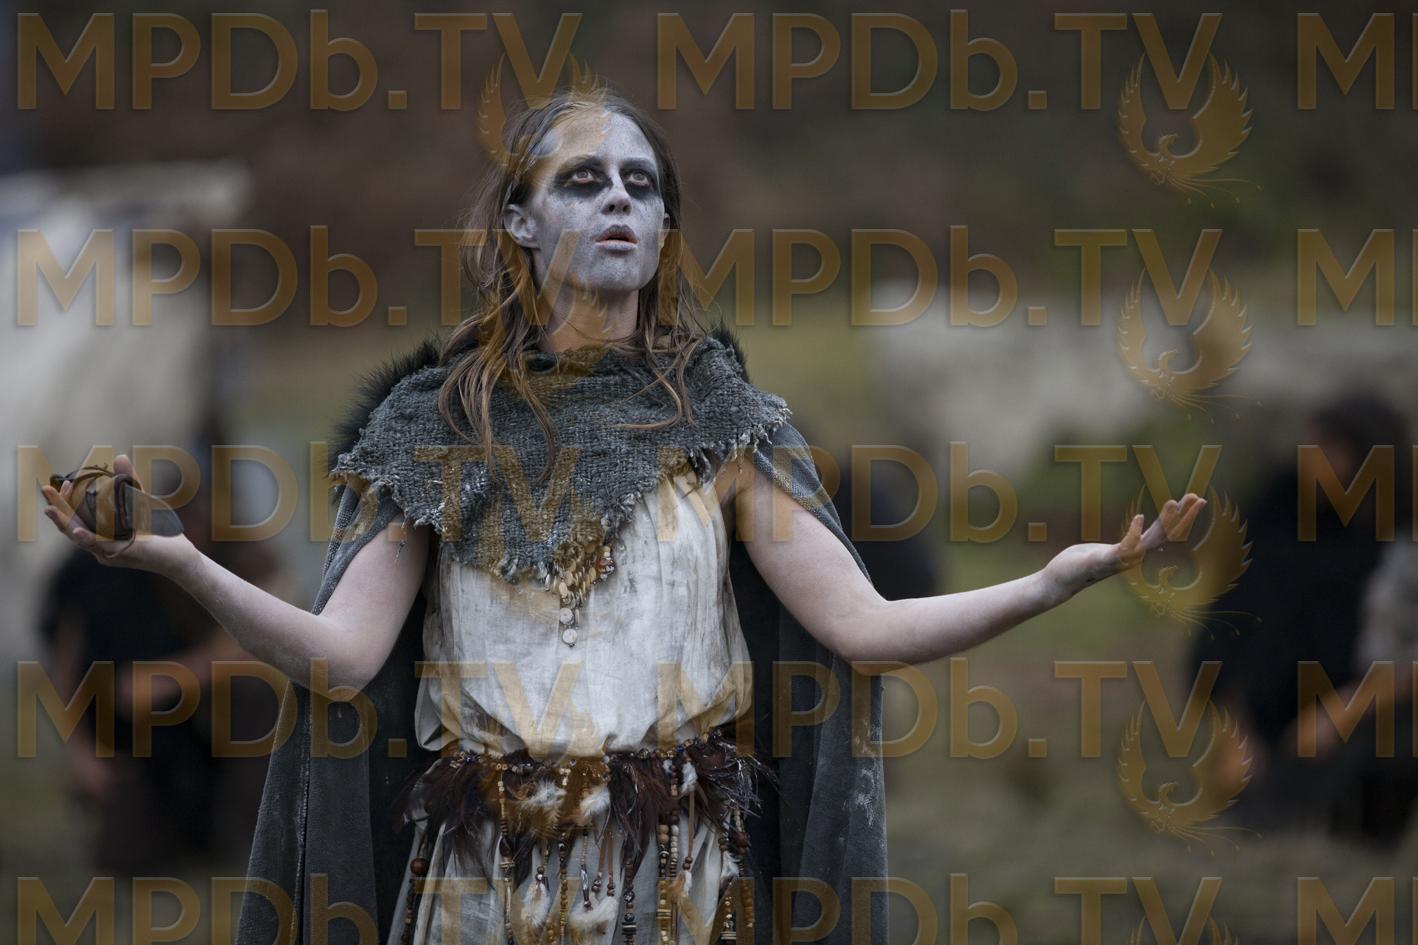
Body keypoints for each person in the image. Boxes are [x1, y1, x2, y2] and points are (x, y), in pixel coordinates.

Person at [40, 83, 1204, 945]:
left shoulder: (722, 422)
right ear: (517, 221)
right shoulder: (436, 426)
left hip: (677, 876)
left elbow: (864, 630)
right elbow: (340, 660)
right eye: (582, 180)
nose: (615, 200)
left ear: (662, 230)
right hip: (481, 881)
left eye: (640, 185)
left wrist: (1053, 581)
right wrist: (181, 561)